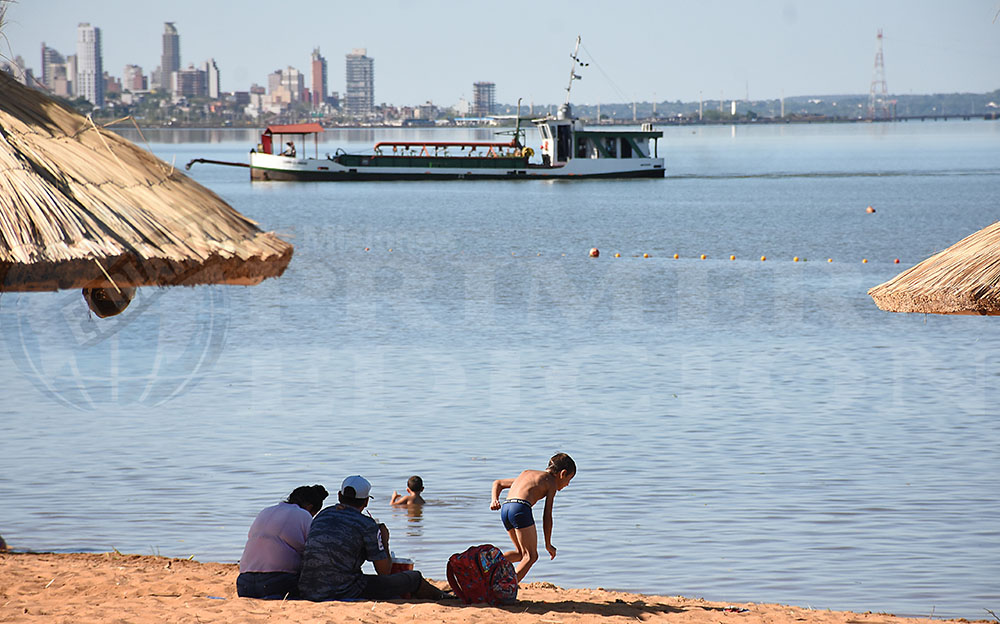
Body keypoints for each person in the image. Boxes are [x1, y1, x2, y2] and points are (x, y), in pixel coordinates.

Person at [298, 475, 446, 601]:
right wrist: (384, 540)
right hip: (343, 590)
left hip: (307, 588)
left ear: (339, 496)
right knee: (414, 578)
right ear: (366, 501)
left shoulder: (322, 515)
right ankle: (445, 598)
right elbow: (384, 571)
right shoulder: (367, 524)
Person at [490, 453, 576, 582]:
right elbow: (547, 515)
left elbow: (498, 483)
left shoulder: (528, 474)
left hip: (506, 508)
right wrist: (548, 544)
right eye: (569, 480)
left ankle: (487, 565)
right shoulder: (551, 482)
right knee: (531, 556)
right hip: (520, 508)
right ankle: (505, 586)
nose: (567, 484)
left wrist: (494, 500)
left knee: (520, 553)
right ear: (562, 474)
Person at [236, 484, 328, 599]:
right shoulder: (304, 515)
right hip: (276, 583)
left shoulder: (266, 511)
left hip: (244, 584)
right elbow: (314, 551)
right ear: (310, 507)